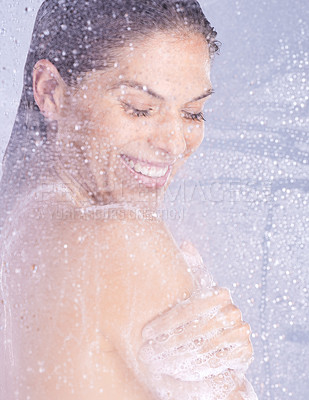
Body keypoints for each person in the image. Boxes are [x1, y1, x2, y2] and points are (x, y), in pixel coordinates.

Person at [0, 0, 257, 399]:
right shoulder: (121, 241)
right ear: (50, 90)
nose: (173, 144)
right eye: (140, 109)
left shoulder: (14, 228)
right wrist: (230, 372)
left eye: (193, 113)